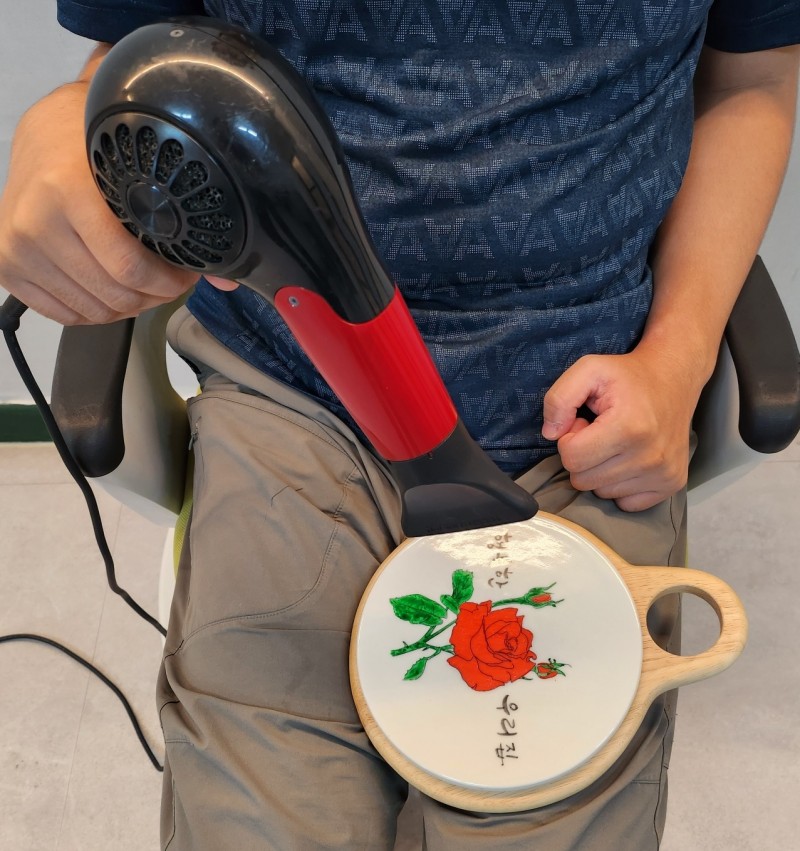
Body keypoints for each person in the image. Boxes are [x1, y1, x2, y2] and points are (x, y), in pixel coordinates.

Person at [1, 2, 798, 848]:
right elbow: (139, 54)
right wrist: (65, 121)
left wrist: (678, 358)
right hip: (291, 385)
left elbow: (752, 79)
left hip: (583, 402)